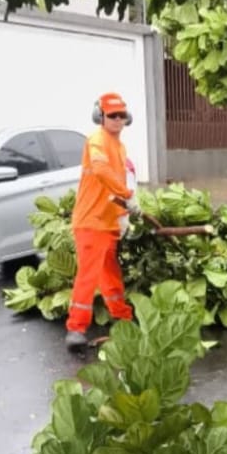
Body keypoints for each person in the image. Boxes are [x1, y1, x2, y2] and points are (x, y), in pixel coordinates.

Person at [66, 93, 138, 349]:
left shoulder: (119, 147)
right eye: (112, 116)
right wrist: (126, 195)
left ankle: (122, 317)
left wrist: (123, 217)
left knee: (110, 274)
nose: (117, 120)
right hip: (90, 221)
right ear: (101, 116)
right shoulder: (96, 140)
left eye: (121, 115)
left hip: (107, 222)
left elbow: (114, 183)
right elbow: (100, 170)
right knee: (88, 275)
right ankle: (76, 329)